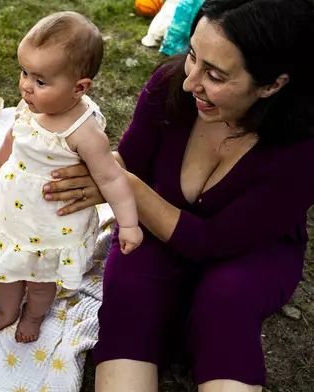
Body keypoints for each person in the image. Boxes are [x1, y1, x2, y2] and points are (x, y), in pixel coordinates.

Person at [42, 0, 314, 391]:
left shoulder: (302, 151)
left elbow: (211, 240)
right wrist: (86, 171)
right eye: (193, 56)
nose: (191, 82)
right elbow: (131, 160)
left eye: (215, 75)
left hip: (249, 255)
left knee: (227, 300)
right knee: (130, 286)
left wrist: (124, 183)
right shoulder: (171, 85)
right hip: (155, 234)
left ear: (273, 84)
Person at [0, 11, 143, 344]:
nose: (25, 85)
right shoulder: (31, 104)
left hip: (52, 223)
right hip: (15, 210)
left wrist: (128, 223)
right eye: (24, 72)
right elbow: (16, 131)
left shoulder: (83, 132)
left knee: (40, 282)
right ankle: (6, 310)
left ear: (79, 88)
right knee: (8, 271)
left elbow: (111, 179)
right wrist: (1, 160)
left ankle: (34, 314)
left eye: (40, 80)